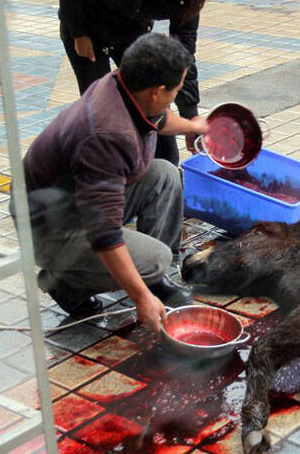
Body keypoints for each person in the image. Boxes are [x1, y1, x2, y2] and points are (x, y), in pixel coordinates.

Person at [15, 34, 209, 332]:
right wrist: (140, 298)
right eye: (177, 90)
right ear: (157, 92)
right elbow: (104, 234)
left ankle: (154, 278)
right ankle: (66, 284)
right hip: (49, 229)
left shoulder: (124, 85)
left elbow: (158, 119)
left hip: (74, 202)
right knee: (157, 257)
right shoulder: (106, 135)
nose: (176, 96)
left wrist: (194, 126)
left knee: (164, 174)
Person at [57, 0, 217, 165]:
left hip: (130, 30)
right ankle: (106, 167)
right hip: (85, 26)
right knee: (101, 106)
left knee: (151, 100)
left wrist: (190, 120)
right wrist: (79, 32)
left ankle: (165, 168)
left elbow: (183, 59)